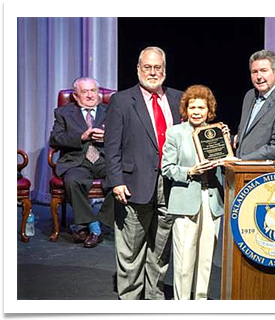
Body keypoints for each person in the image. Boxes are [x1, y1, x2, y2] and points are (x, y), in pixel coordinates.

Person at [104, 46, 183, 300]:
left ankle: (154, 295)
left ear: (165, 70)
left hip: (171, 185)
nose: (152, 72)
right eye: (147, 67)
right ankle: (130, 297)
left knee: (161, 247)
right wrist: (116, 181)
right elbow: (111, 145)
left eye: (157, 67)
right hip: (133, 184)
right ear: (138, 69)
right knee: (131, 248)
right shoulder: (122, 100)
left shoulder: (178, 99)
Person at [161, 84, 230, 300]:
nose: (197, 112)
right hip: (185, 200)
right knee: (183, 259)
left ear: (209, 110)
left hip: (211, 200)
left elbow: (227, 163)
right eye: (192, 107)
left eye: (201, 107)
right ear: (185, 109)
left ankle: (200, 300)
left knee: (206, 258)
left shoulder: (216, 133)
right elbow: (167, 168)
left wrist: (227, 143)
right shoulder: (175, 133)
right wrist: (190, 171)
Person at [49, 77, 108, 248]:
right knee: (73, 180)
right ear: (75, 96)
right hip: (77, 162)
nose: (90, 95)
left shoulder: (111, 110)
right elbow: (55, 139)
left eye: (93, 91)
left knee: (123, 178)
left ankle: (89, 222)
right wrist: (80, 137)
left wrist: (108, 136)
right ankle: (94, 227)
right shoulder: (63, 113)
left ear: (98, 94)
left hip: (104, 160)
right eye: (84, 92)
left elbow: (126, 136)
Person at [234, 49, 275, 160]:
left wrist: (242, 160)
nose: (259, 76)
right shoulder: (250, 96)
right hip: (243, 171)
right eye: (254, 72)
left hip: (271, 173)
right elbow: (248, 134)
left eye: (263, 70)